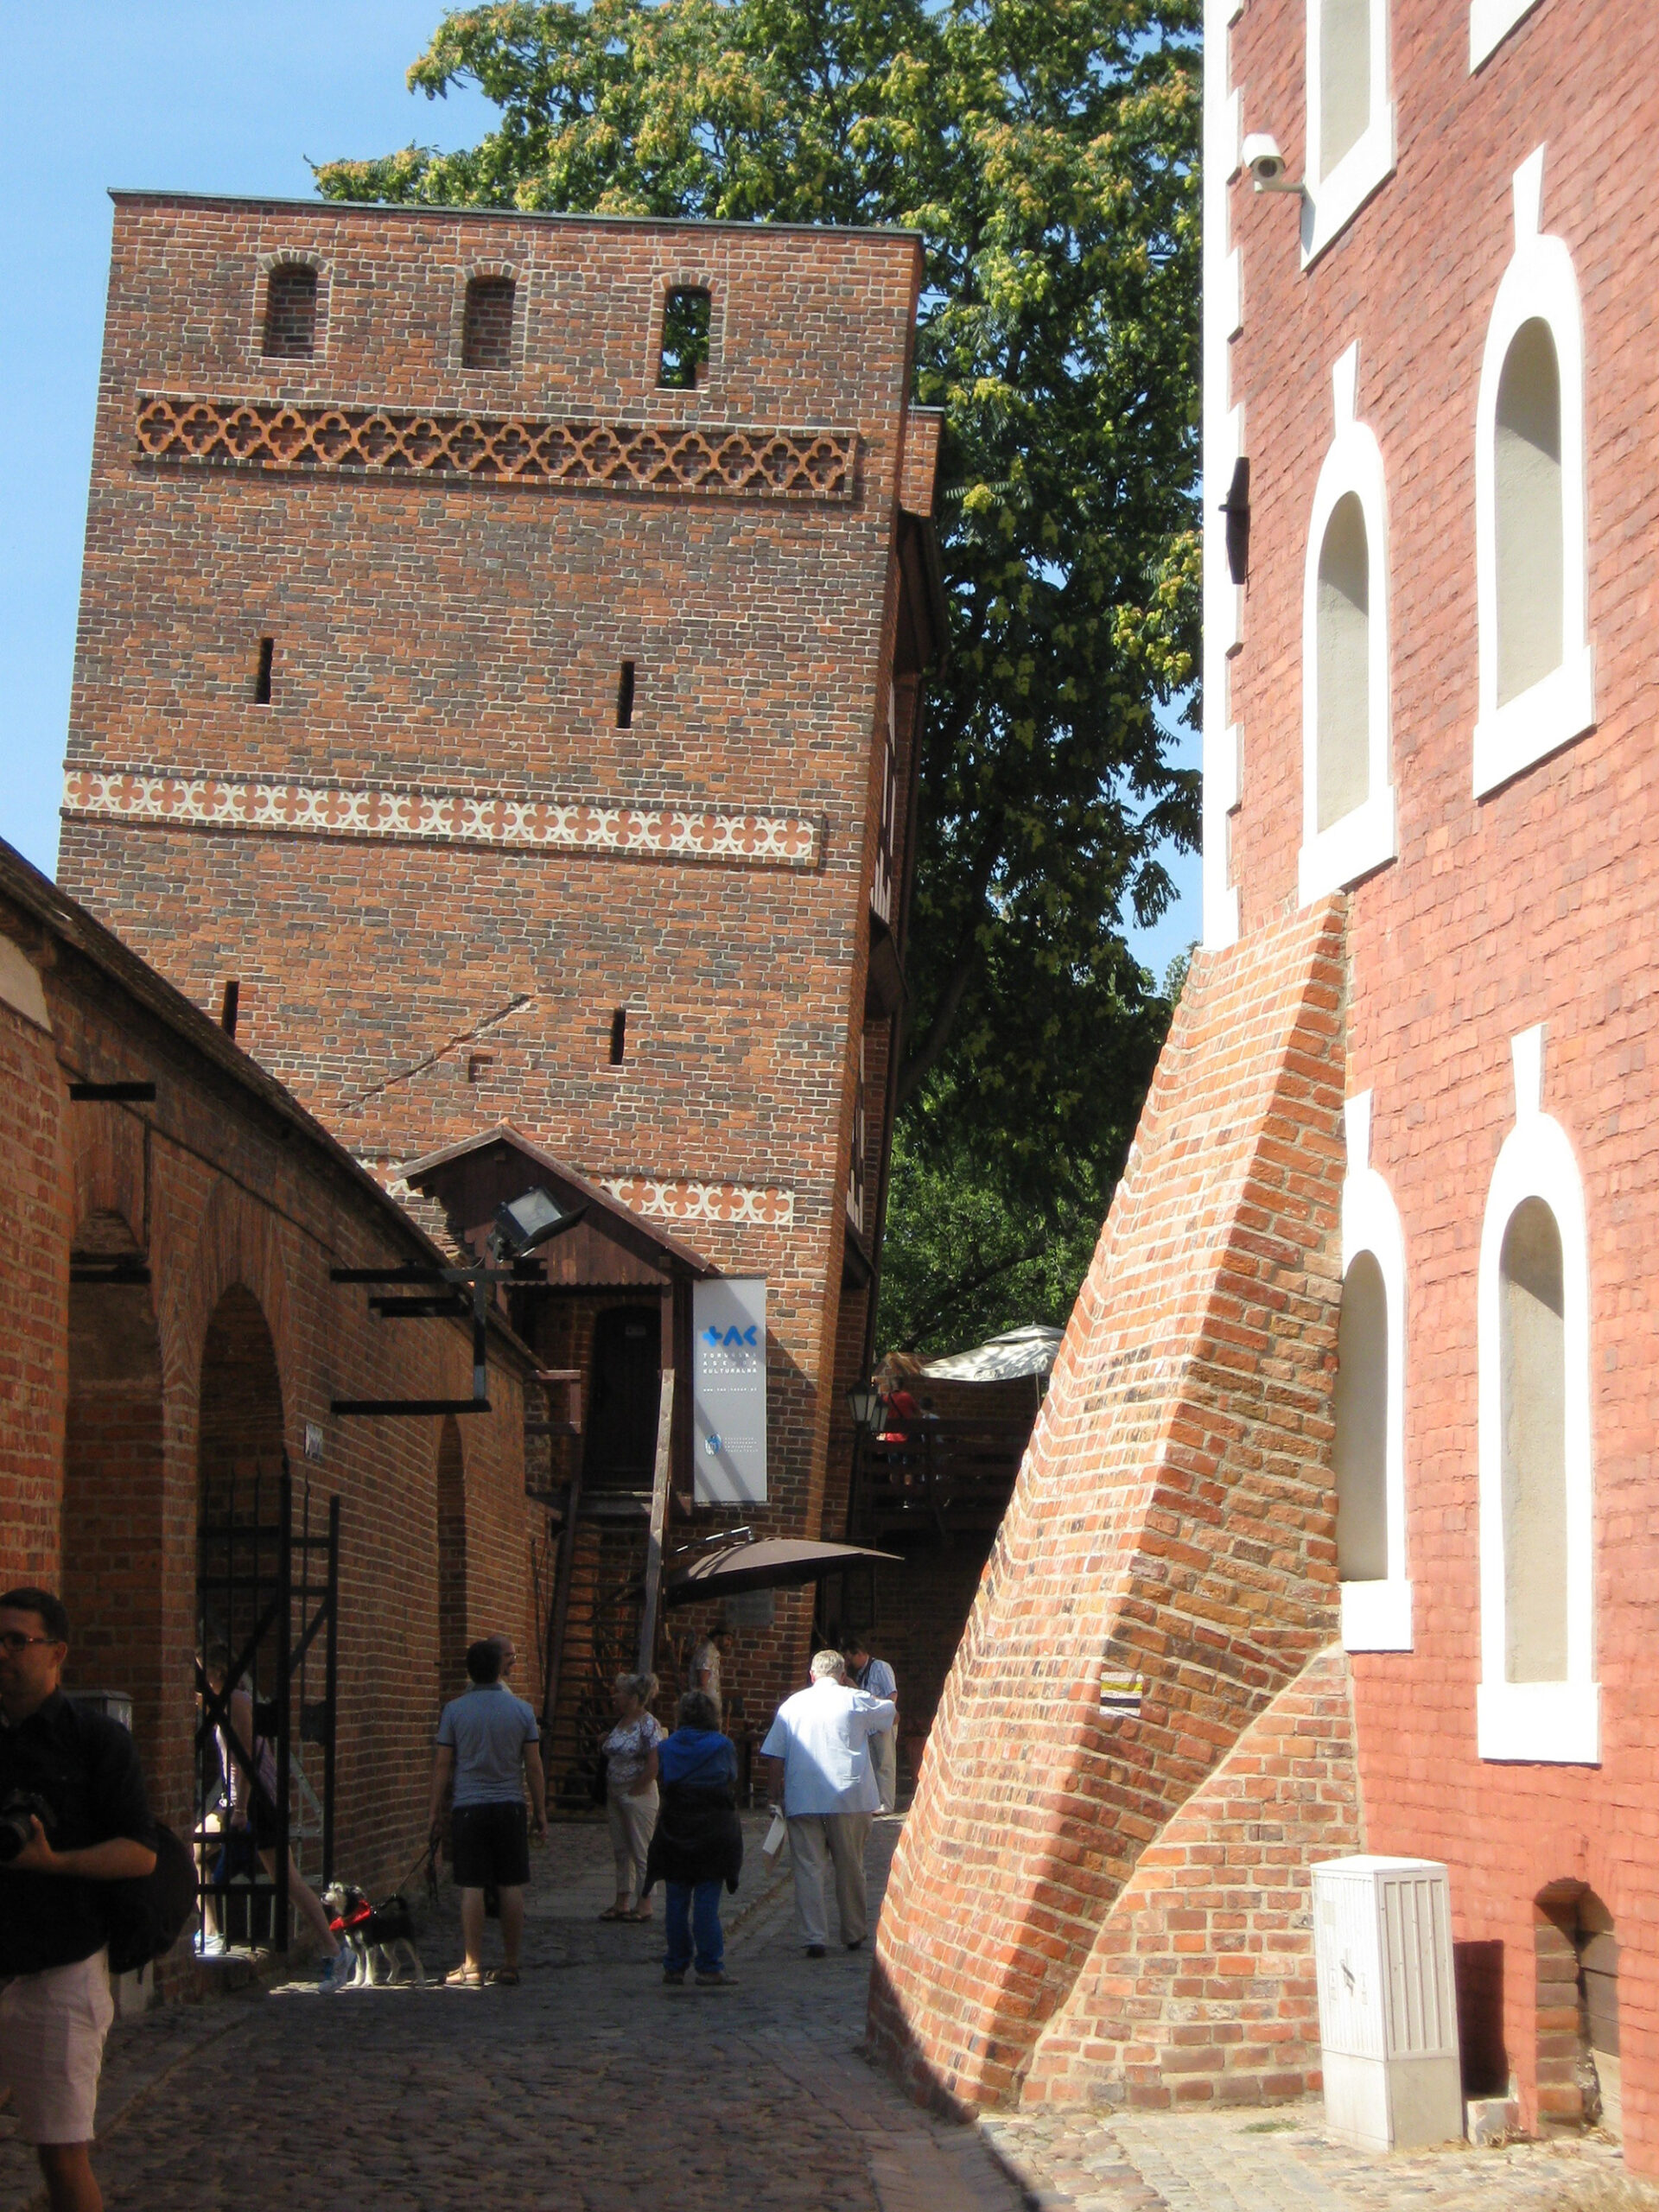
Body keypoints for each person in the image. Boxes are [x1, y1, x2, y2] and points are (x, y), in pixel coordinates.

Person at [0, 1587, 157, 2212]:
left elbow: (140, 1853)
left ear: (56, 1652)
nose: (4, 1653)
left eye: (18, 1640)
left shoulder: (95, 1742)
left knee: (62, 2156)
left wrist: (53, 1861)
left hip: (60, 1966)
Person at [199, 1645, 352, 1990]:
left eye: (200, 1669)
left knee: (288, 1880)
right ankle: (210, 1933)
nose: (197, 1678)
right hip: (234, 1799)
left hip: (255, 1799)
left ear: (218, 1671)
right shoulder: (221, 1702)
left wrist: (240, 1810)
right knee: (194, 1852)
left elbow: (245, 1758)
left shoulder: (237, 1702)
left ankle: (334, 1951)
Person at [760, 1649, 893, 1958]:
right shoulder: (853, 1699)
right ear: (842, 1674)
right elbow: (888, 1714)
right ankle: (854, 1931)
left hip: (803, 1795)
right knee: (850, 1865)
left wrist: (772, 1795)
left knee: (808, 1867)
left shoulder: (792, 1705)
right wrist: (855, 1689)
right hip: (849, 1796)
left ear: (811, 1675)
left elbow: (775, 1757)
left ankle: (814, 1936)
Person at [429, 1637, 547, 1987]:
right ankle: (510, 1963)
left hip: (469, 1806)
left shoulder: (454, 1711)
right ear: (501, 1668)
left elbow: (442, 1766)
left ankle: (473, 1963)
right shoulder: (522, 1711)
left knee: (472, 1886)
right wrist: (540, 1810)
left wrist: (433, 1811)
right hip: (510, 1804)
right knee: (511, 1884)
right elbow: (534, 1765)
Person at [641, 1689, 742, 1988]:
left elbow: (667, 1779)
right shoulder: (722, 1745)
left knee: (676, 1899)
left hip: (677, 1826)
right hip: (713, 1828)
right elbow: (731, 1777)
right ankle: (709, 1966)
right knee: (707, 1901)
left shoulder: (668, 1746)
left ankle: (674, 1965)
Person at [600, 1671, 664, 1922]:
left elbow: (653, 1761)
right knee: (621, 1848)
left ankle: (645, 1902)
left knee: (641, 1848)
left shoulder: (648, 1724)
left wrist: (636, 1790)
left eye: (620, 1693)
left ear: (634, 1697)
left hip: (637, 1794)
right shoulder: (622, 1722)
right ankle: (622, 1900)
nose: (615, 1696)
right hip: (615, 1792)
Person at [842, 1633, 898, 1815]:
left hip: (882, 1723)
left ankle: (887, 1804)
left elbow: (892, 1695)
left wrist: (887, 1715)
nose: (849, 1664)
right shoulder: (859, 1673)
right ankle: (876, 1802)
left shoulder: (880, 1667)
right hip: (869, 1726)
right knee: (874, 1764)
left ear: (859, 1653)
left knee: (885, 1763)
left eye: (850, 1659)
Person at [689, 1621, 731, 1722]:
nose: (729, 1643)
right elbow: (703, 1681)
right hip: (704, 1711)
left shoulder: (712, 1652)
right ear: (718, 1637)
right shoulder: (708, 1652)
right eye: (728, 1639)